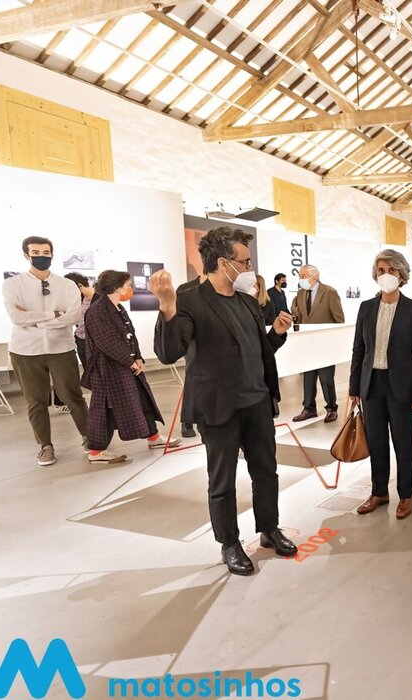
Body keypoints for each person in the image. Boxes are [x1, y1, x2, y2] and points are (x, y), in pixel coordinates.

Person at [150, 226, 298, 576]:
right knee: (222, 479)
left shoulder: (246, 300)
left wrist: (276, 334)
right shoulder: (189, 300)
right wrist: (167, 308)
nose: (249, 268)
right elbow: (169, 353)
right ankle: (229, 542)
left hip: (257, 401)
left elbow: (257, 351)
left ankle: (269, 528)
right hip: (218, 407)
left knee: (266, 471)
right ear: (222, 263)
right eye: (244, 261)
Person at [349, 250, 412, 520]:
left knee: (403, 444)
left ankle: (406, 495)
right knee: (377, 443)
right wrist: (354, 388)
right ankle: (379, 492)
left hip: (403, 387)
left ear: (402, 275)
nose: (385, 275)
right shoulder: (366, 308)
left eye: (392, 270)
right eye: (381, 270)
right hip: (372, 384)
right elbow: (358, 349)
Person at [3, 236, 89, 467]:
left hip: (61, 348)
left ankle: (90, 438)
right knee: (35, 401)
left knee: (73, 397)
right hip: (25, 351)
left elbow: (74, 317)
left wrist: (34, 320)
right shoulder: (13, 285)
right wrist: (54, 315)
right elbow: (17, 318)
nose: (42, 256)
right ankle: (45, 446)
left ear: (52, 254)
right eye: (36, 252)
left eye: (46, 252)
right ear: (26, 255)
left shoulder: (67, 285)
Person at [82, 270, 178, 464]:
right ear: (116, 287)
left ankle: (153, 437)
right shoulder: (98, 310)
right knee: (105, 409)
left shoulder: (117, 307)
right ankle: (96, 451)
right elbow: (106, 341)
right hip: (107, 369)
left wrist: (138, 357)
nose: (130, 288)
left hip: (124, 365)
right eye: (127, 284)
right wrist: (129, 361)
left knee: (142, 399)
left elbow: (130, 334)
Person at [291, 265, 345, 424]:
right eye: (300, 275)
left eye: (303, 275)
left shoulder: (329, 292)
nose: (300, 278)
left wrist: (335, 343)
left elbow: (339, 319)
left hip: (325, 344)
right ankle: (309, 408)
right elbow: (299, 318)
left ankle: (331, 408)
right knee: (308, 377)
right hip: (307, 343)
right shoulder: (300, 294)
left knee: (326, 378)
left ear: (314, 276)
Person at [174, 271, 207, 439]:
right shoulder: (185, 289)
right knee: (192, 377)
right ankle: (187, 420)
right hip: (193, 340)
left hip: (215, 339)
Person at [64, 272, 97, 368]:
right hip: (81, 341)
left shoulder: (100, 299)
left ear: (80, 285)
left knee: (98, 372)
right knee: (87, 371)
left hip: (95, 343)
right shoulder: (79, 299)